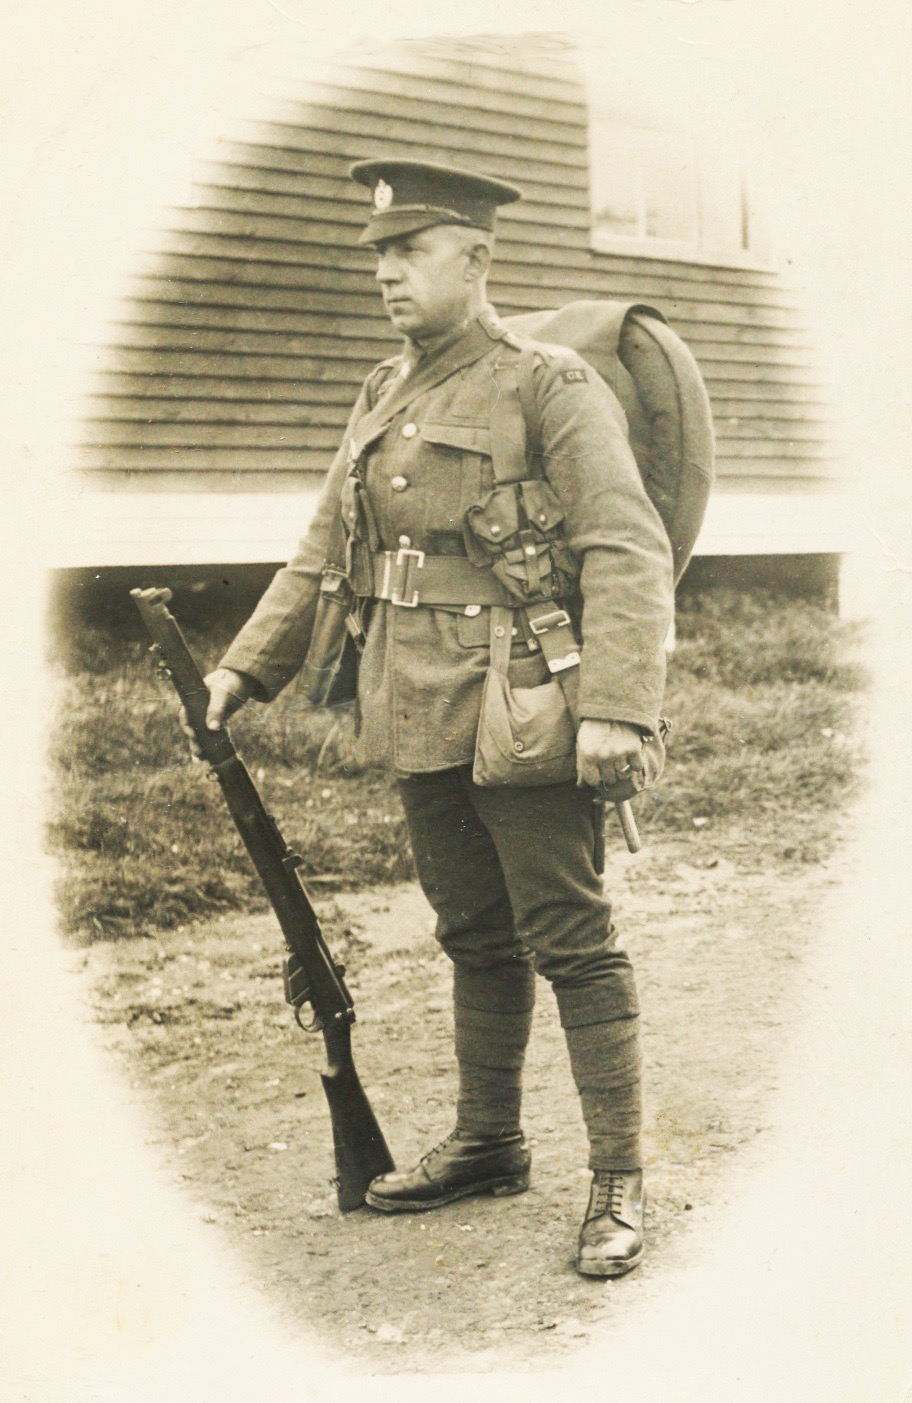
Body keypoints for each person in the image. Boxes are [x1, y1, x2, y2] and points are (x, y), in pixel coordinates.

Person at [183, 158, 674, 1277]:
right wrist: (245, 670)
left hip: (526, 703)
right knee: (470, 929)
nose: (389, 273)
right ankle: (491, 1140)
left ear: (478, 256)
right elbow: (324, 550)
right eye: (379, 255)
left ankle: (620, 1174)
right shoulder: (382, 389)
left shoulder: (546, 384)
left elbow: (626, 545)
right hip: (415, 701)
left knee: (572, 936)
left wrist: (616, 709)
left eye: (412, 251)